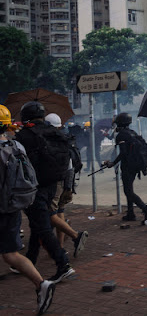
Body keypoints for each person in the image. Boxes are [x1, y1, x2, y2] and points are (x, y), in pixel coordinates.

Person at [0, 105, 56, 314]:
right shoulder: (16, 146)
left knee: (9, 253)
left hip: (1, 208)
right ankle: (42, 284)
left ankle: (42, 284)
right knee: (10, 253)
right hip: (14, 206)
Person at [15, 102, 74, 284]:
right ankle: (30, 259)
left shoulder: (24, 136)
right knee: (37, 223)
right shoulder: (54, 133)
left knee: (43, 227)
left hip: (35, 188)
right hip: (53, 185)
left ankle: (63, 264)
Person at [43, 113, 89, 257]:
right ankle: (60, 247)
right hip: (67, 182)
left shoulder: (54, 141)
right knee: (59, 212)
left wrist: (66, 187)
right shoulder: (66, 139)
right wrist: (69, 187)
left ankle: (75, 235)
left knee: (51, 214)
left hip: (58, 183)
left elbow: (67, 166)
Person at [104, 113, 147, 222]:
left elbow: (123, 152)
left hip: (128, 166)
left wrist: (113, 163)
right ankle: (131, 213)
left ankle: (146, 209)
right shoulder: (132, 133)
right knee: (129, 189)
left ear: (120, 124)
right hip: (135, 165)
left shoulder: (121, 135)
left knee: (128, 191)